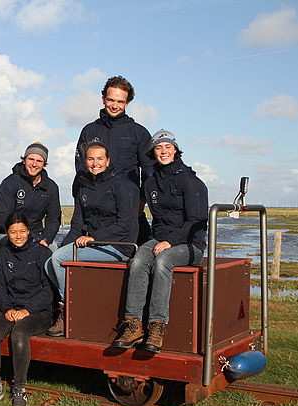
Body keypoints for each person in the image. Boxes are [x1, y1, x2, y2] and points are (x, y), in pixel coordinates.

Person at [112, 130, 208, 353]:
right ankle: (133, 323)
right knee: (137, 261)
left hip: (190, 244)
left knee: (163, 262)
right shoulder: (151, 181)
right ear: (153, 152)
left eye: (167, 147)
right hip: (159, 239)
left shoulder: (192, 182)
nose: (163, 151)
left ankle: (156, 325)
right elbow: (140, 208)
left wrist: (171, 241)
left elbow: (197, 220)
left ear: (175, 149)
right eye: (158, 148)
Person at [45, 141, 139, 336]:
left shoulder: (123, 186)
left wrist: (95, 238)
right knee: (49, 263)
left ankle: (69, 311)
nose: (95, 163)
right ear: (85, 161)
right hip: (94, 243)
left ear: (108, 160)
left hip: (118, 246)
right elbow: (77, 224)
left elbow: (126, 225)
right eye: (90, 159)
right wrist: (66, 245)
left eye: (99, 159)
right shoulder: (84, 187)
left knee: (59, 259)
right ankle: (72, 303)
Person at [0, 212, 54, 406]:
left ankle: (19, 389)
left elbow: (49, 291)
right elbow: (0, 286)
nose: (18, 236)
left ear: (29, 231)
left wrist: (28, 310)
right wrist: (7, 308)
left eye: (22, 231)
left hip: (39, 311)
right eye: (13, 232)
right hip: (10, 307)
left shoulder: (42, 253)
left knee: (19, 333)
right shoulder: (2, 251)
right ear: (7, 233)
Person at [75, 75, 153, 243]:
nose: (115, 106)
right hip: (96, 208)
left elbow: (150, 170)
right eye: (111, 100)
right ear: (103, 99)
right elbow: (81, 169)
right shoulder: (89, 131)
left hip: (128, 206)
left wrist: (141, 200)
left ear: (127, 103)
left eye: (120, 102)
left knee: (138, 252)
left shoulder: (138, 132)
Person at [0, 142, 61, 249]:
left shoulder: (51, 187)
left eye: (39, 161)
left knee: (52, 249)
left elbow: (54, 218)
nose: (34, 164)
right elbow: (2, 216)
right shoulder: (10, 182)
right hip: (8, 234)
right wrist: (20, 235)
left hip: (37, 235)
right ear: (24, 161)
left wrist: (46, 239)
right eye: (31, 159)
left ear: (44, 164)